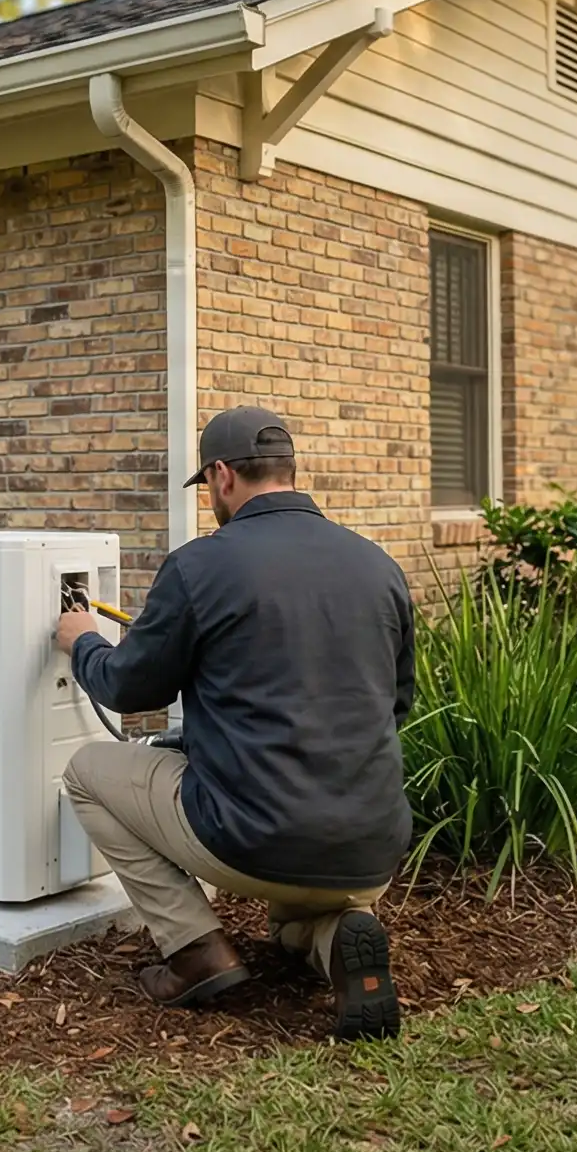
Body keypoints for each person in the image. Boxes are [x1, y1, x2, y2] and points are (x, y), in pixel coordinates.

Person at [52, 405, 417, 1041]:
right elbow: (395, 706)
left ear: (222, 476)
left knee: (87, 770)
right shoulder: (378, 566)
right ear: (289, 470)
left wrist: (81, 639)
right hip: (371, 851)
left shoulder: (202, 565)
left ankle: (195, 950)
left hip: (253, 840)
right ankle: (335, 940)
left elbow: (128, 685)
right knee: (296, 919)